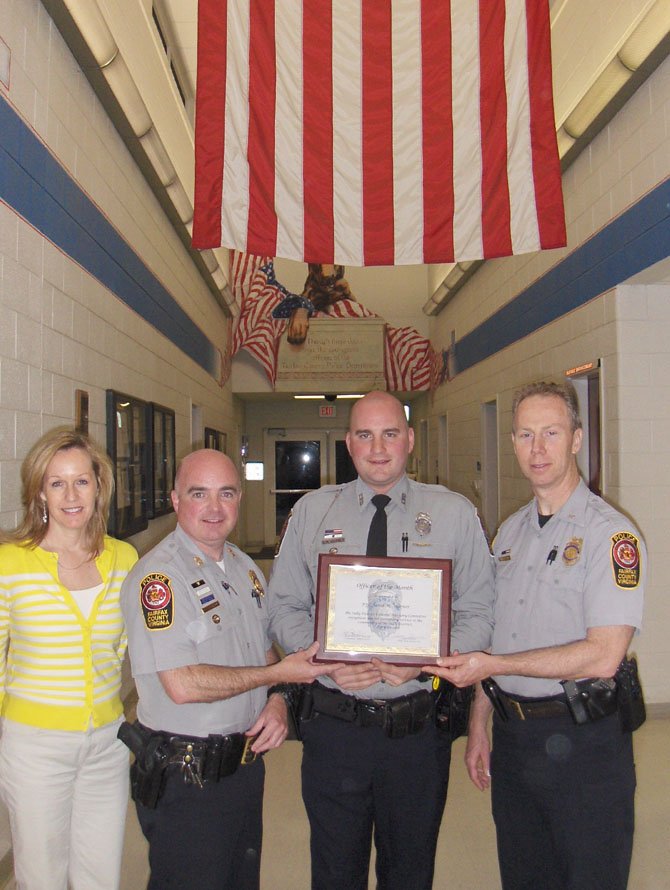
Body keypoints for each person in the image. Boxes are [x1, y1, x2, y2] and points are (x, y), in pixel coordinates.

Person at [268, 390, 495, 890]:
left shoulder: (454, 514)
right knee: (334, 871)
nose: (377, 447)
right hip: (335, 729)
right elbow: (282, 607)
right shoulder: (312, 513)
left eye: (389, 433)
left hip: (416, 733)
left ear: (409, 440)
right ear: (349, 444)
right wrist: (324, 660)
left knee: (410, 871)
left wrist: (427, 661)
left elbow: (480, 613)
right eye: (365, 435)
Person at [428, 381, 645, 890]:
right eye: (525, 435)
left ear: (576, 438)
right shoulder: (509, 534)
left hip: (585, 742)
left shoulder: (611, 537)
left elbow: (603, 655)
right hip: (516, 743)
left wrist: (494, 668)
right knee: (524, 878)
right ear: (512, 443)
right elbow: (494, 640)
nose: (538, 448)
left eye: (551, 432)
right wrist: (480, 721)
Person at [120, 449, 335, 890]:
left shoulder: (244, 567)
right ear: (176, 500)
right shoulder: (158, 579)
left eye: (226, 493)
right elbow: (182, 683)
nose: (214, 508)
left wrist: (276, 701)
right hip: (186, 776)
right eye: (199, 494)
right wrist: (278, 678)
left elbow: (264, 654)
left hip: (243, 767)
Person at [0, 428, 138, 890]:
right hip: (35, 746)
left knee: (101, 874)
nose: (71, 495)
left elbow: (119, 649)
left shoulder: (124, 559)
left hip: (107, 745)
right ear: (39, 490)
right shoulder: (10, 563)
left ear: (99, 486)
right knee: (41, 876)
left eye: (82, 480)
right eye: (57, 483)